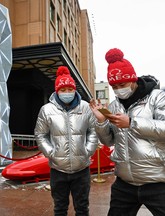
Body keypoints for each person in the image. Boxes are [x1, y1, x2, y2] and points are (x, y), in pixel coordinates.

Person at [89, 48, 165, 216]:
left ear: (132, 80)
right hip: (125, 183)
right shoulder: (114, 105)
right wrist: (102, 121)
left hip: (160, 182)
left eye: (122, 85)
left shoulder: (157, 97)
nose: (119, 90)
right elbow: (109, 141)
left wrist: (132, 123)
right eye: (115, 86)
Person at [34, 66, 98, 216]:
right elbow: (40, 134)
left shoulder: (85, 108)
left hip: (82, 169)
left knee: (82, 208)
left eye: (70, 89)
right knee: (60, 208)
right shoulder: (47, 110)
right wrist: (51, 153)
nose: (67, 92)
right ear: (57, 91)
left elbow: (93, 131)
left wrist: (87, 151)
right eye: (63, 89)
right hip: (58, 169)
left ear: (75, 90)